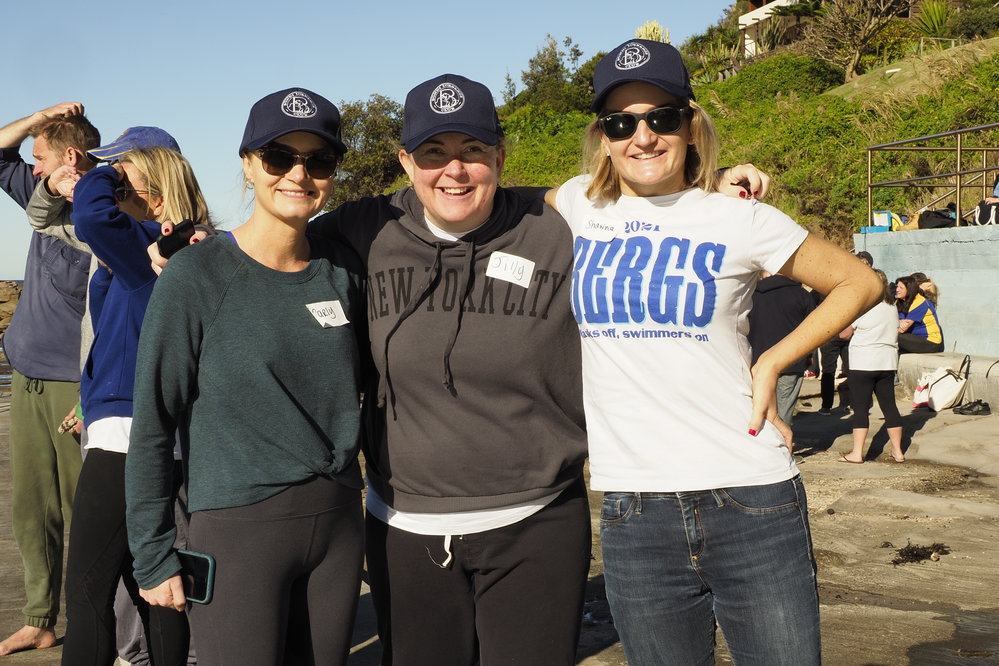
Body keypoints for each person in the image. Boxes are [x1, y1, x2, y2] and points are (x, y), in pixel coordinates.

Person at [149, 76, 769, 665]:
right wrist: (196, 245)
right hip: (404, 529)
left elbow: (644, 213)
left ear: (500, 156)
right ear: (404, 163)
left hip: (535, 522)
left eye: (472, 149)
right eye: (432, 151)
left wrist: (708, 188)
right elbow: (272, 243)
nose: (453, 169)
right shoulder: (365, 230)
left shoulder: (553, 224)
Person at [545, 39, 882, 665]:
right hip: (633, 510)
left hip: (751, 498)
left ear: (690, 123)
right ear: (604, 137)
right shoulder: (575, 205)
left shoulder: (741, 220)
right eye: (622, 123)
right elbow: (476, 202)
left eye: (662, 118)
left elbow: (860, 281)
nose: (643, 136)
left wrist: (772, 361)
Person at [127, 89, 366, 666]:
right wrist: (153, 554)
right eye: (279, 157)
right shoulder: (196, 274)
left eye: (319, 160)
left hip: (338, 525)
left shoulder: (343, 270)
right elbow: (154, 423)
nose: (298, 174)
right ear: (249, 164)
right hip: (236, 530)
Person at [61, 140, 207, 665]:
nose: (114, 192)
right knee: (156, 586)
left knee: (86, 594)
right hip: (142, 433)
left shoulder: (149, 249)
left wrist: (97, 174)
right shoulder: (163, 253)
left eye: (124, 184)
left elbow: (93, 218)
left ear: (159, 199)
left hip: (127, 439)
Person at [0, 102, 96, 656]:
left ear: (73, 158)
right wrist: (40, 118)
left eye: (42, 158)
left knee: (87, 511)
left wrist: (93, 394)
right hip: (28, 376)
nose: (33, 168)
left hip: (74, 386)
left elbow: (122, 309)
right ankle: (39, 618)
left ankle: (99, 618)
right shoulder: (44, 196)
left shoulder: (102, 212)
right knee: (31, 510)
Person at [838, 269, 905, 463]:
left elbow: (844, 334)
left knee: (860, 408)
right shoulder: (891, 306)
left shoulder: (862, 306)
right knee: (889, 406)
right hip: (887, 362)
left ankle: (857, 453)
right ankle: (898, 451)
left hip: (863, 362)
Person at [747, 271, 815, 436]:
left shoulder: (750, 294)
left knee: (758, 406)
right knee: (784, 409)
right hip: (791, 360)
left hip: (757, 362)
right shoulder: (802, 295)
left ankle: (760, 442)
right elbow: (812, 331)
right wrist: (809, 357)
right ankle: (782, 446)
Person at [895, 274, 944, 353]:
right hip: (915, 338)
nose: (897, 290)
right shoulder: (900, 301)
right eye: (897, 287)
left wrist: (894, 322)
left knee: (893, 335)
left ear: (909, 289)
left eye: (901, 288)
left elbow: (902, 329)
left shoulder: (920, 302)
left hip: (931, 342)